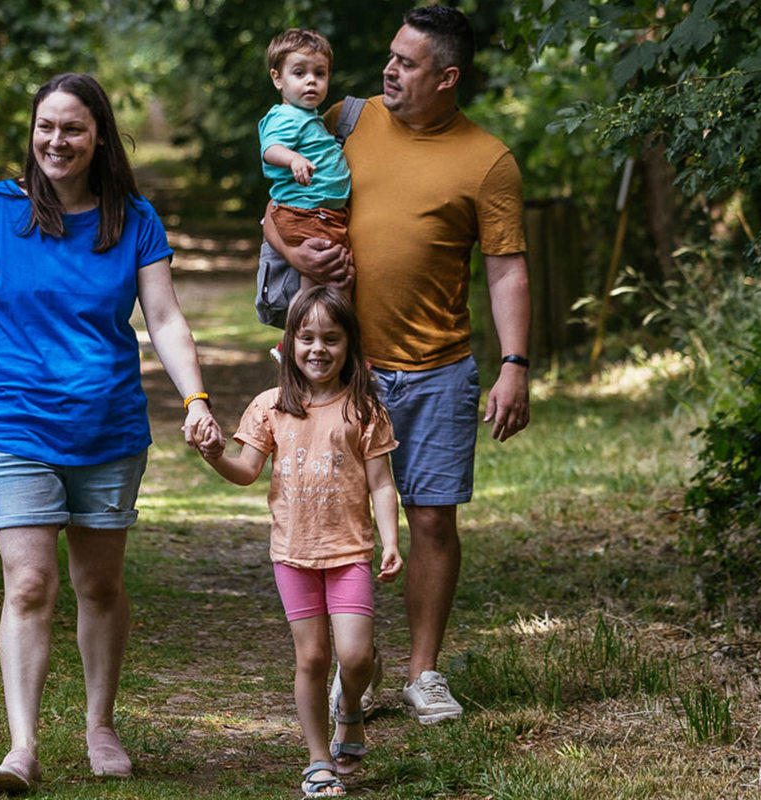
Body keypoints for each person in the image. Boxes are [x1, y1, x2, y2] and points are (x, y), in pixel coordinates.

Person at [0, 72, 223, 793]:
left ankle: (99, 723)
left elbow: (165, 319)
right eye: (46, 127)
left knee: (99, 583)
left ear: (98, 139)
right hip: (16, 421)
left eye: (73, 129)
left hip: (108, 427)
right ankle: (22, 747)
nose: (57, 141)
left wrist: (196, 396)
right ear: (32, 134)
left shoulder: (133, 219)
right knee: (29, 583)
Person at [263, 5, 532, 725]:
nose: (389, 70)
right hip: (349, 370)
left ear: (446, 77)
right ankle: (358, 671)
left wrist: (515, 364)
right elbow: (276, 202)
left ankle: (423, 673)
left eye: (408, 63)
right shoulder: (347, 117)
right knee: (345, 525)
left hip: (440, 368)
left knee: (433, 522)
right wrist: (293, 254)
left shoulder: (488, 160)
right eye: (391, 56)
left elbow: (507, 269)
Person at [197, 286, 402, 798]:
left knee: (354, 657)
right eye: (306, 337)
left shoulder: (364, 410)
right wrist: (214, 455)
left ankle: (349, 706)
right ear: (288, 344)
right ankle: (318, 760)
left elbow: (381, 483)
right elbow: (245, 471)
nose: (318, 348)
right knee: (311, 658)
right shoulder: (271, 408)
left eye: (331, 338)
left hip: (350, 551)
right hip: (293, 553)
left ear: (350, 346)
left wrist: (392, 541)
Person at [258, 28, 352, 298]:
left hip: (322, 213)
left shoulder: (309, 117)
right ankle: (305, 331)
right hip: (306, 213)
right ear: (278, 79)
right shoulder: (285, 116)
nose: (311, 81)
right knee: (321, 282)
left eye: (319, 74)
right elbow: (270, 149)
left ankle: (313, 329)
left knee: (337, 279)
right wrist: (293, 159)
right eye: (299, 73)